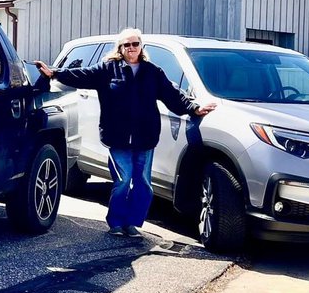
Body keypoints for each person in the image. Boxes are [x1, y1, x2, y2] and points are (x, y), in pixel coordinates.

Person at [34, 29, 216, 238]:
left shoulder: (152, 72)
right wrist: (54, 73)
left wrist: (193, 108)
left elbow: (172, 94)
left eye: (135, 44)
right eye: (126, 45)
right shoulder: (108, 70)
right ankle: (116, 223)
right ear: (120, 48)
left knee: (144, 185)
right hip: (117, 137)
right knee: (123, 180)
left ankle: (132, 223)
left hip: (145, 138)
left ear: (141, 47)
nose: (131, 48)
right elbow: (82, 75)